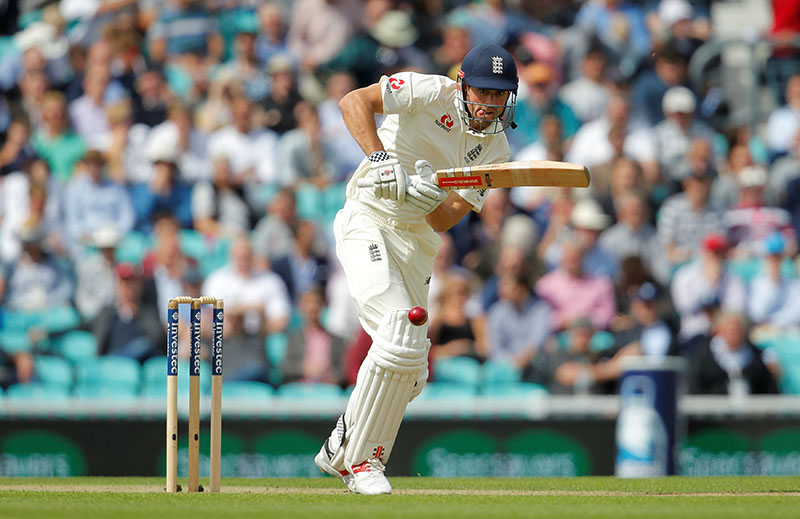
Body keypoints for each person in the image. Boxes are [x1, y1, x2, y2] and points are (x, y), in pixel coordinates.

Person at [314, 43, 519, 495]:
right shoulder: (429, 90)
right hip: (368, 216)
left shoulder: (497, 147)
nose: (488, 104)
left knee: (413, 369)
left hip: (417, 242)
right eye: (482, 92)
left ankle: (340, 447)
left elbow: (443, 219)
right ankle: (363, 462)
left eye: (498, 95)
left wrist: (424, 197)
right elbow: (353, 102)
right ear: (463, 84)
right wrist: (379, 159)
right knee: (394, 332)